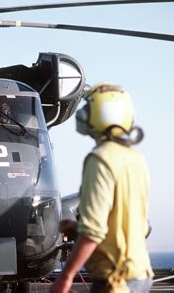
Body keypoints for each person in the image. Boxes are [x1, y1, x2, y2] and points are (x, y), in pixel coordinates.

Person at [51, 84, 153, 293]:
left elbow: (93, 232)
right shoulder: (136, 159)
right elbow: (130, 224)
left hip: (116, 279)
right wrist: (76, 229)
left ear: (100, 113)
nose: (82, 114)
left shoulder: (99, 160)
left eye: (88, 108)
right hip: (140, 274)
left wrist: (66, 276)